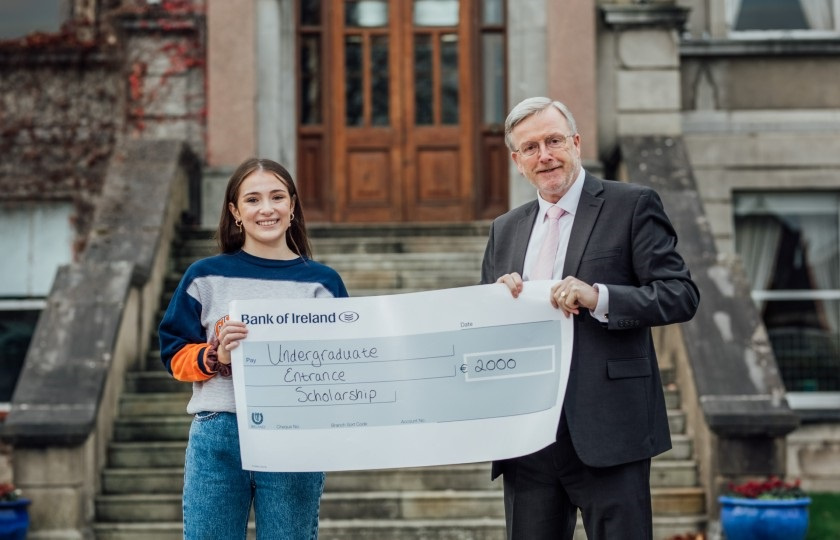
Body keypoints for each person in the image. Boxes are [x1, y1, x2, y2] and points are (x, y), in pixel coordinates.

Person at [482, 97, 700, 540]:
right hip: (529, 439)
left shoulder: (632, 204)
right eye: (530, 147)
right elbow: (488, 335)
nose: (544, 155)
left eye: (554, 141)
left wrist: (599, 297)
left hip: (610, 429)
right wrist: (497, 302)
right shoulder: (505, 229)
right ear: (517, 160)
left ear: (576, 143)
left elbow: (680, 295)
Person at [159, 158, 348, 540]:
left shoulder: (323, 284)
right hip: (219, 433)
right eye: (253, 199)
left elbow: (346, 363)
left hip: (294, 434)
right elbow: (174, 356)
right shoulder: (203, 276)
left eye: (277, 197)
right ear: (235, 212)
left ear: (293, 206)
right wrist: (215, 356)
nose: (267, 209)